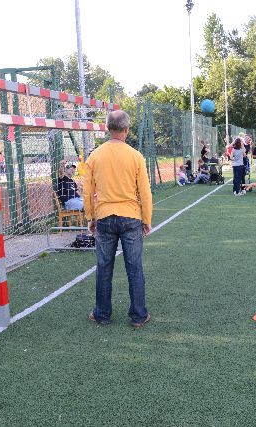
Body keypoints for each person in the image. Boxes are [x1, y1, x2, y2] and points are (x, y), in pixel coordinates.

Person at [84, 110, 153, 328]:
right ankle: (138, 316)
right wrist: (146, 219)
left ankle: (102, 314)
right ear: (126, 130)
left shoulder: (95, 156)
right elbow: (145, 192)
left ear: (107, 128)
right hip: (131, 217)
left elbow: (87, 191)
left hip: (104, 217)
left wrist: (90, 217)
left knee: (104, 267)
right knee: (134, 268)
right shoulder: (135, 156)